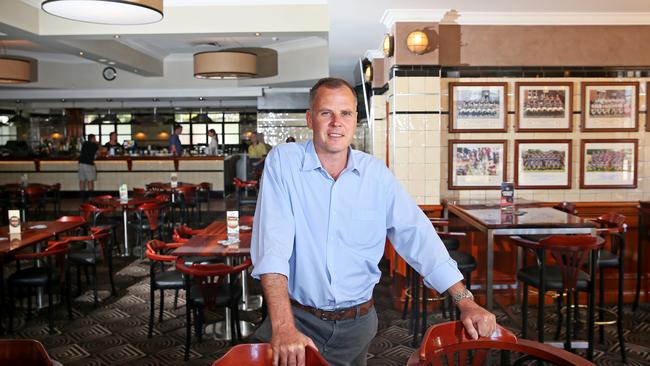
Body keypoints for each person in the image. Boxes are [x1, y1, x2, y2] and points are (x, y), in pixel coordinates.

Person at [251, 77, 496, 366]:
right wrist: (282, 326)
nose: (336, 122)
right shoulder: (284, 162)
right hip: (297, 319)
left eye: (345, 113)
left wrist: (464, 300)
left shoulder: (376, 174)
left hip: (359, 324)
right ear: (310, 118)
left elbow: (416, 234)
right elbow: (273, 245)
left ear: (355, 119)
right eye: (325, 113)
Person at [78, 134, 99, 201]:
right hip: (89, 164)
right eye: (95, 138)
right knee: (90, 181)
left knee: (82, 180)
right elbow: (99, 153)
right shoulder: (94, 145)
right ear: (92, 138)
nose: (95, 139)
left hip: (81, 163)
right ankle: (90, 197)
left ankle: (82, 197)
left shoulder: (85, 144)